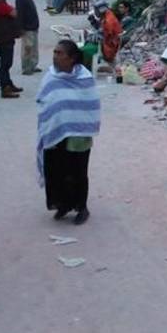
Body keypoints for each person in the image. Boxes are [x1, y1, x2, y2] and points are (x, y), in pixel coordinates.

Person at [36, 39, 101, 225]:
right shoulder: (51, 77)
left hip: (78, 134)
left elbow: (91, 106)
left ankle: (82, 207)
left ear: (72, 58)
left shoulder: (84, 78)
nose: (55, 56)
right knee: (57, 169)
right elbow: (43, 100)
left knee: (78, 170)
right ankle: (63, 204)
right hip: (55, 131)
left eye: (59, 53)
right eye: (54, 52)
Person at [16, 0, 41, 76]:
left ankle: (33, 65)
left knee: (34, 48)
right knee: (28, 48)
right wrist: (20, 28)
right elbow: (20, 15)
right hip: (27, 28)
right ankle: (26, 67)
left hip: (33, 27)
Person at [89, 1, 123, 67]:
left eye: (96, 9)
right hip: (111, 41)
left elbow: (105, 35)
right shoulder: (108, 15)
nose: (95, 11)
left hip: (111, 46)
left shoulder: (108, 20)